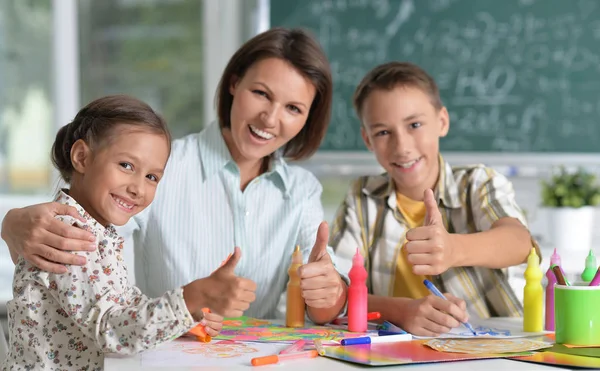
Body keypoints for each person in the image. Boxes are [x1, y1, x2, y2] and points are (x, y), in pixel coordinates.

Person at [1, 28, 347, 326]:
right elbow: (87, 233)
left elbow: (325, 308)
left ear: (308, 118)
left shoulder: (302, 191)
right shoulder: (159, 169)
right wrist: (11, 222)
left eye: (293, 108)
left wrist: (328, 290)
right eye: (261, 93)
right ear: (234, 83)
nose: (270, 119)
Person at [1, 95, 257, 370]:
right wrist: (190, 297)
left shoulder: (97, 232)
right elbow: (111, 331)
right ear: (82, 157)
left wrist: (181, 318)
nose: (138, 188)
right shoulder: (69, 238)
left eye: (152, 177)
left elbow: (121, 303)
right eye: (126, 166)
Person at [330, 62, 539, 337]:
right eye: (383, 132)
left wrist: (454, 248)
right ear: (367, 139)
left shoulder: (478, 183)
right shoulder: (362, 197)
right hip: (400, 354)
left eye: (414, 125)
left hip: (490, 349)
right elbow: (337, 293)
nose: (402, 147)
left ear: (442, 122)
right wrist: (400, 311)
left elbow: (521, 244)